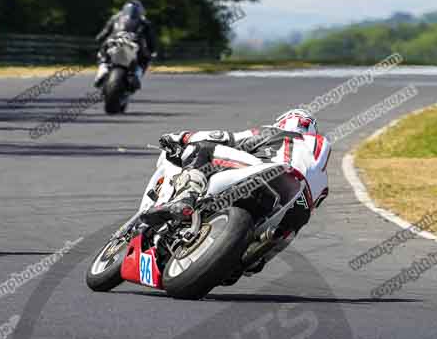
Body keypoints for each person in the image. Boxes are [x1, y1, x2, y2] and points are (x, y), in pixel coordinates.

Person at [141, 108, 331, 275]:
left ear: (284, 121)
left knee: (204, 148)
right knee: (289, 230)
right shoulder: (322, 170)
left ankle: (185, 198)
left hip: (266, 170)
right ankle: (256, 257)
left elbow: (223, 137)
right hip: (298, 204)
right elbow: (316, 202)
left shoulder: (273, 132)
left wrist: (181, 138)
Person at [93, 0, 158, 89]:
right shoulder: (144, 22)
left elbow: (104, 33)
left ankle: (102, 70)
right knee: (145, 59)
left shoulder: (115, 18)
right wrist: (153, 51)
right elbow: (151, 39)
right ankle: (136, 75)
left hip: (114, 41)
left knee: (103, 54)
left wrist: (98, 40)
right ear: (140, 11)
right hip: (134, 44)